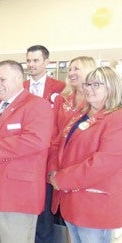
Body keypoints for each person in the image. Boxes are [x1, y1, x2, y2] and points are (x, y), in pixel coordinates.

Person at [0, 60, 54, 243]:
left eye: (2, 79)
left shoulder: (37, 105)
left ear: (19, 78)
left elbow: (37, 140)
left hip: (17, 195)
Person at [48, 67, 122, 243]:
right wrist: (52, 171)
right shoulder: (80, 114)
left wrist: (61, 179)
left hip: (95, 205)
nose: (89, 88)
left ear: (111, 87)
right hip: (71, 202)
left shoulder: (116, 119)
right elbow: (57, 144)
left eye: (96, 84)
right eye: (88, 84)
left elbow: (103, 164)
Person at [24, 45, 65, 243]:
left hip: (48, 156)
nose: (31, 65)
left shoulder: (60, 88)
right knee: (25, 206)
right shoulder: (20, 87)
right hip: (23, 157)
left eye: (35, 60)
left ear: (46, 62)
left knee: (45, 208)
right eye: (28, 61)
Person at [52, 56, 96, 137]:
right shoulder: (61, 99)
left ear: (88, 71)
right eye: (69, 70)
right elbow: (53, 128)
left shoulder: (96, 101)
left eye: (76, 69)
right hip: (60, 147)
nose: (71, 73)